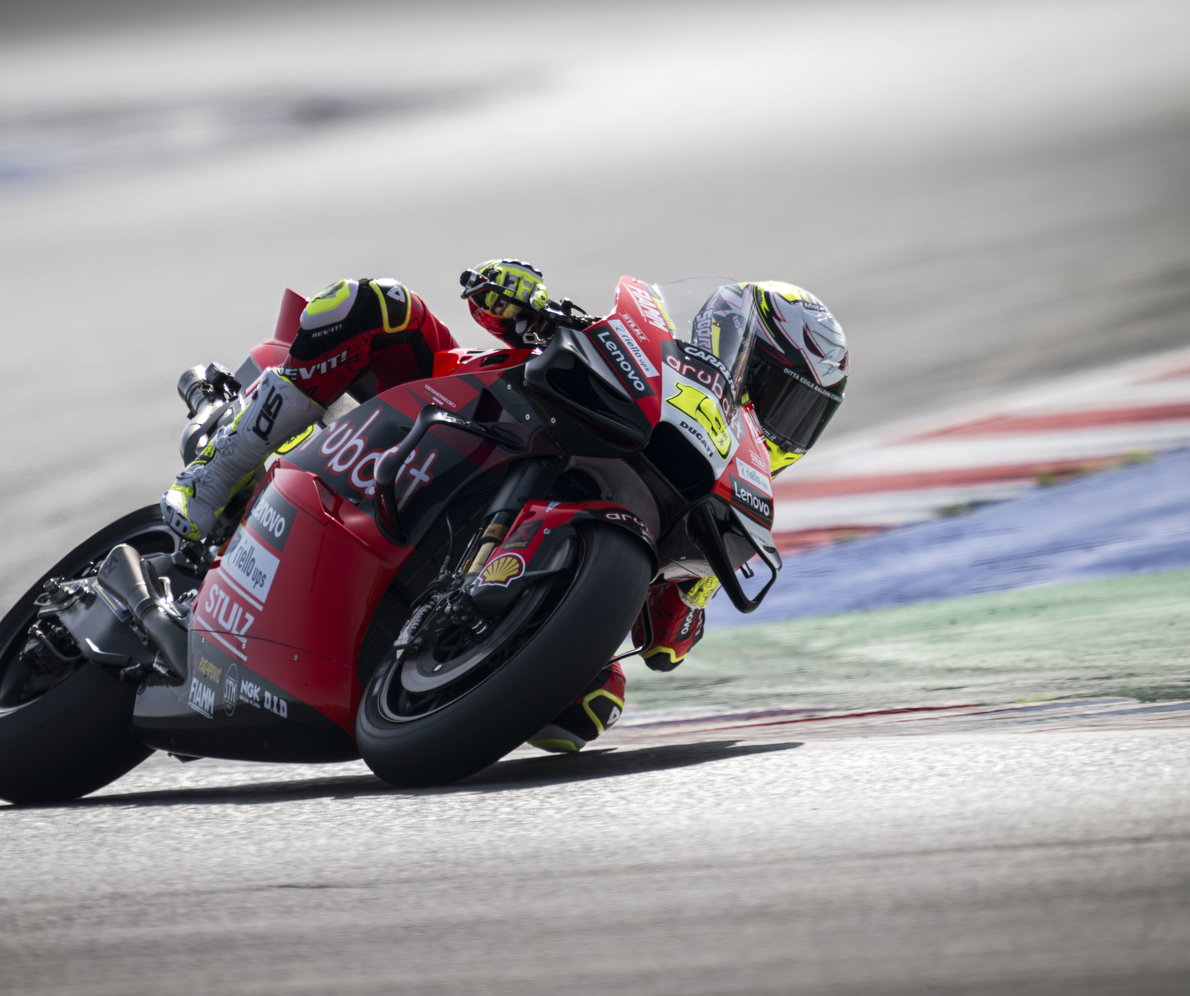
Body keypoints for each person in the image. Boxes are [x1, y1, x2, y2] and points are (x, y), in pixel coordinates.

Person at [160, 261, 849, 753]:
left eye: (796, 414)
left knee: (591, 704)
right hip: (444, 400)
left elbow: (664, 640)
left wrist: (683, 604)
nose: (771, 415)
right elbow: (498, 302)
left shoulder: (726, 490)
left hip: (488, 570)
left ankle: (447, 664)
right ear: (729, 336)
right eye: (768, 383)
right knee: (372, 303)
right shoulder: (645, 357)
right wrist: (523, 297)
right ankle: (216, 474)